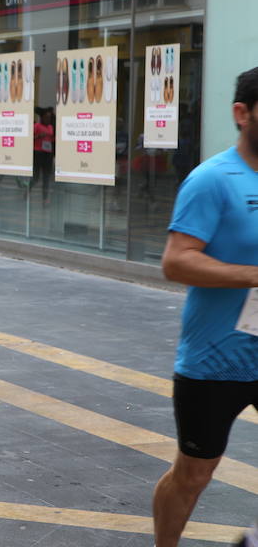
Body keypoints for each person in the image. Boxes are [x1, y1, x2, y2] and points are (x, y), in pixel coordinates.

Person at [154, 66, 258, 546]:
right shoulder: (213, 180)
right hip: (214, 362)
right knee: (194, 475)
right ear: (242, 114)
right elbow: (177, 262)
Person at [31, 108, 55, 203]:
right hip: (38, 153)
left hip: (47, 154)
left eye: (49, 117)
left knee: (46, 178)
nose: (48, 119)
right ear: (42, 117)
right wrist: (38, 136)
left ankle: (45, 199)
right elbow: (30, 138)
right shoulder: (36, 126)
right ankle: (28, 190)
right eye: (46, 117)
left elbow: (51, 138)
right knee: (36, 177)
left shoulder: (50, 127)